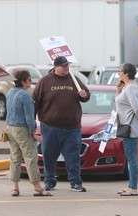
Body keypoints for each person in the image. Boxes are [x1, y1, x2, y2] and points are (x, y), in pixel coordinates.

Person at [32, 56, 91, 192]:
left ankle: (76, 182)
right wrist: (32, 125)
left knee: (73, 156)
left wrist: (84, 95)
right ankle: (50, 181)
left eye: (67, 65)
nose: (66, 68)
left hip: (72, 126)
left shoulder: (74, 79)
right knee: (49, 155)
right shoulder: (45, 81)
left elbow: (86, 95)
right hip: (50, 126)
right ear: (55, 66)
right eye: (63, 66)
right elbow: (35, 102)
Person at [6, 70, 52, 197]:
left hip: (10, 128)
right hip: (22, 129)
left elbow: (8, 112)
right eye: (29, 79)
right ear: (23, 81)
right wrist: (34, 132)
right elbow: (29, 117)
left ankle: (15, 188)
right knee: (30, 157)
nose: (31, 82)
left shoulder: (9, 92)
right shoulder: (25, 95)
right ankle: (37, 187)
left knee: (15, 157)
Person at [115, 63, 138, 196]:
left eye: (120, 71)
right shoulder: (126, 88)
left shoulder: (131, 88)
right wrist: (118, 91)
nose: (118, 73)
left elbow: (136, 108)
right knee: (130, 157)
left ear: (127, 73)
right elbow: (119, 105)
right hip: (126, 127)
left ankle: (134, 188)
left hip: (130, 128)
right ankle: (130, 185)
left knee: (132, 159)